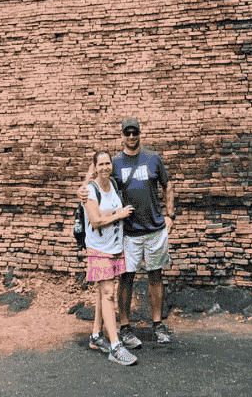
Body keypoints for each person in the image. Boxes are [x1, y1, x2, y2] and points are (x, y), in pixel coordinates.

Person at [78, 118, 175, 348]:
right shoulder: (115, 162)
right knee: (126, 279)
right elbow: (92, 175)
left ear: (140, 133)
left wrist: (170, 216)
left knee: (155, 275)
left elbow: (168, 185)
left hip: (154, 228)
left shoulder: (153, 158)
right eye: (127, 133)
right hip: (128, 231)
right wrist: (82, 190)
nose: (131, 136)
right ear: (121, 135)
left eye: (135, 132)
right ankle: (125, 327)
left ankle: (157, 323)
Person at [83, 150, 138, 365]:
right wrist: (118, 214)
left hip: (115, 247)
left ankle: (96, 336)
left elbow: (108, 212)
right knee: (108, 294)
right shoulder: (89, 190)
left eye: (108, 163)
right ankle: (115, 346)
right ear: (94, 167)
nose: (105, 167)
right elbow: (95, 221)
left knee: (102, 293)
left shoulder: (113, 185)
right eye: (101, 164)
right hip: (99, 249)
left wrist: (117, 212)